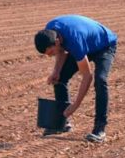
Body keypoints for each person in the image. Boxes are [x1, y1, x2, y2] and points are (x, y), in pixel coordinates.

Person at [34, 15, 118, 144]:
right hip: (86, 42)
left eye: (50, 52)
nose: (50, 55)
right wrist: (56, 71)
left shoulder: (75, 41)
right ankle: (62, 123)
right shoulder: (50, 31)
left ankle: (99, 129)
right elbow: (60, 51)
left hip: (104, 45)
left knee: (100, 80)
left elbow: (87, 76)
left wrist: (75, 105)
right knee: (60, 78)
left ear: (56, 42)